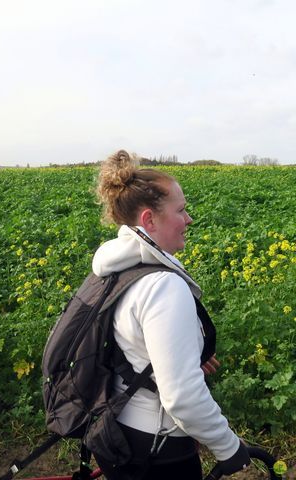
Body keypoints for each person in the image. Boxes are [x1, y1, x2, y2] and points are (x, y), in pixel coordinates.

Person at [91, 151, 249, 479]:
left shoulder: (119, 266)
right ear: (149, 220)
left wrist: (181, 357)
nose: (189, 219)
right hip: (157, 448)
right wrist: (228, 447)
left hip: (120, 430)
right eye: (181, 210)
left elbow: (131, 341)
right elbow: (182, 397)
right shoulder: (163, 286)